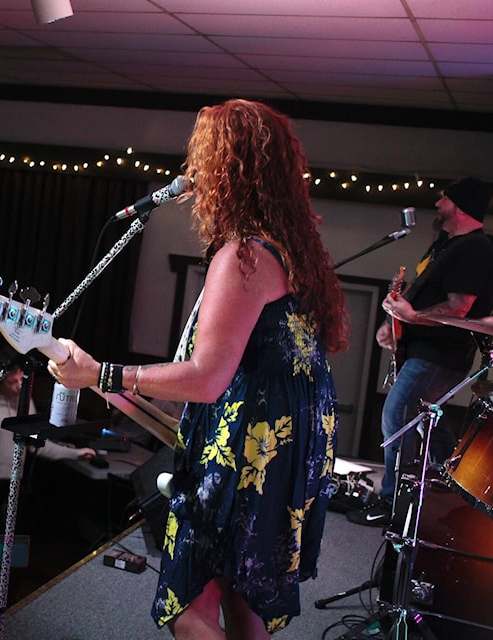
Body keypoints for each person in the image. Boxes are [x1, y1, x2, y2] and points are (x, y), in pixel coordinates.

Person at [49, 99, 347, 638]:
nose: (193, 175)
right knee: (242, 597)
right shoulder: (295, 250)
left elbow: (208, 377)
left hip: (251, 448)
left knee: (190, 604)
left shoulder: (243, 256)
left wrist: (103, 374)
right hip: (284, 442)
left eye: (202, 158)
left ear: (228, 168)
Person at [347, 177, 493, 527]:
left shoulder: (474, 249)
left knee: (398, 416)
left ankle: (394, 503)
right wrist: (397, 324)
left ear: (459, 207)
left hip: (440, 355)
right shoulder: (445, 246)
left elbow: (459, 308)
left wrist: (412, 317)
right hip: (422, 350)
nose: (437, 204)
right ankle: (454, 496)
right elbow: (421, 299)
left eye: (443, 199)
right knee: (429, 425)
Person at [0, 348, 96, 635]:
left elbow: (35, 443)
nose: (20, 378)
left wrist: (74, 454)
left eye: (22, 373)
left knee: (1, 554)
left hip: (10, 488)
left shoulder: (24, 405)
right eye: (14, 374)